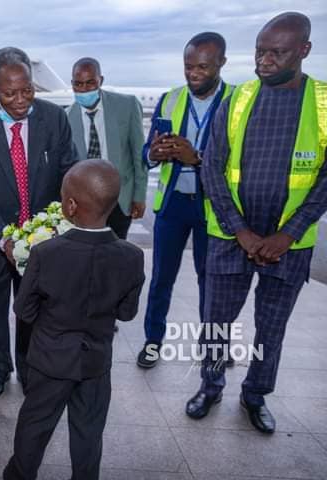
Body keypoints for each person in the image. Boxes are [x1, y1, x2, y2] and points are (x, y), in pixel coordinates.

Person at [188, 12, 327, 434]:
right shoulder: (240, 98)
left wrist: (289, 233)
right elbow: (211, 166)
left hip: (289, 243)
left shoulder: (323, 103)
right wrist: (240, 229)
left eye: (276, 53)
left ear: (303, 50)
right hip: (233, 237)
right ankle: (210, 386)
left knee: (272, 326)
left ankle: (255, 395)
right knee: (216, 320)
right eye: (259, 51)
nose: (263, 61)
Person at [3, 159, 145, 480]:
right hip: (95, 363)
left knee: (34, 428)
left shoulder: (46, 253)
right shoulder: (132, 256)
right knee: (89, 435)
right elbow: (127, 312)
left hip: (49, 361)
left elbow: (23, 310)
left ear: (69, 205)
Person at [0, 47, 75, 398]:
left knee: (31, 310)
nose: (21, 100)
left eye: (27, 90)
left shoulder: (55, 118)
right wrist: (4, 240)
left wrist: (52, 228)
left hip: (42, 241)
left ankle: (26, 368)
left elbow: (68, 172)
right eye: (10, 93)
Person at [137, 33, 233, 369]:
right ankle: (153, 342)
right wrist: (154, 153)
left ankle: (215, 347)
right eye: (188, 66)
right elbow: (146, 153)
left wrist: (199, 158)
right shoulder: (170, 99)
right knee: (162, 276)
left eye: (202, 67)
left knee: (214, 281)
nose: (193, 74)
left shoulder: (237, 102)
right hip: (174, 204)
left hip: (216, 207)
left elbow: (243, 162)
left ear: (221, 62)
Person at [67, 57, 147, 239]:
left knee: (117, 255)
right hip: (83, 202)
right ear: (72, 84)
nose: (84, 89)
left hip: (119, 198)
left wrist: (139, 196)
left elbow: (138, 154)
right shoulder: (66, 118)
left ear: (100, 80)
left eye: (90, 83)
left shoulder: (127, 106)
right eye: (78, 84)